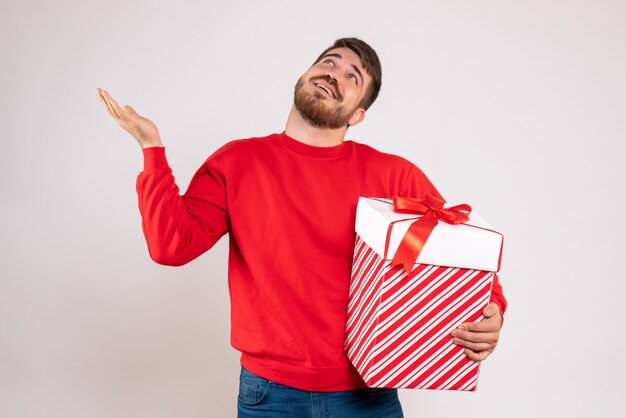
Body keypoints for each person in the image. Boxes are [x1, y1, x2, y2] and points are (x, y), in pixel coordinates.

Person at [97, 37, 507, 418]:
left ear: (358, 114)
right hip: (270, 395)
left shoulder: (394, 175)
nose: (334, 73)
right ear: (302, 77)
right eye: (329, 62)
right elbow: (172, 245)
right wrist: (152, 149)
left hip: (369, 394)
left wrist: (493, 313)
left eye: (352, 76)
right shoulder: (238, 161)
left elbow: (458, 251)